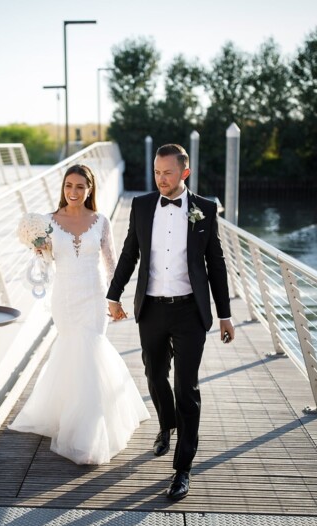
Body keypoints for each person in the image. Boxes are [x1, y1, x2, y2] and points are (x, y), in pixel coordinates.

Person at [106, 143, 235, 501]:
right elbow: (130, 252)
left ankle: (183, 468)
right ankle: (166, 424)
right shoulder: (143, 205)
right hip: (151, 308)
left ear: (184, 173)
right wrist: (113, 294)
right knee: (153, 374)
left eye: (168, 173)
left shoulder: (205, 210)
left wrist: (224, 314)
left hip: (190, 311)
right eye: (157, 172)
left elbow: (217, 264)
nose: (161, 179)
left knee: (187, 388)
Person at [9, 164, 150, 465]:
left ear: (90, 189)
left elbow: (111, 262)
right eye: (68, 186)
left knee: (91, 351)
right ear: (63, 188)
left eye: (79, 187)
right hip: (65, 297)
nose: (73, 192)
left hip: (94, 296)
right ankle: (72, 419)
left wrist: (115, 299)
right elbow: (45, 264)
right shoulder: (47, 221)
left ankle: (89, 433)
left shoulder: (100, 221)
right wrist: (40, 251)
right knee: (73, 352)